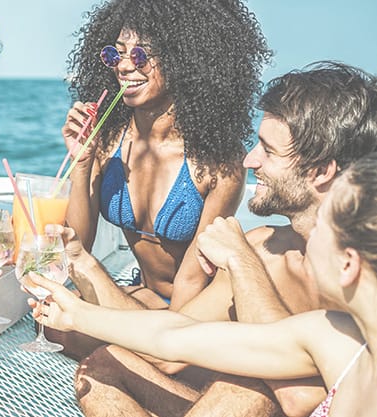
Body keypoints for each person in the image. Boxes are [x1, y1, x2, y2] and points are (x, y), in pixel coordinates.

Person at [67, 62, 377, 416]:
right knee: (103, 367)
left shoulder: (359, 273)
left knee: (244, 388)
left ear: (321, 171)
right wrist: (82, 269)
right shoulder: (263, 247)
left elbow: (299, 399)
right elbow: (168, 346)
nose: (249, 160)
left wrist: (241, 262)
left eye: (267, 150)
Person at [30, 150, 377, 417]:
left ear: (348, 263)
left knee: (244, 385)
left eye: (321, 231)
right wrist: (75, 311)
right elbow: (172, 337)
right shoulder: (336, 335)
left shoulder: (339, 343)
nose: (307, 239)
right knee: (105, 363)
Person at [51, 0, 271, 359]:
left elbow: (189, 286)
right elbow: (77, 246)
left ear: (186, 60)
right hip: (143, 299)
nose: (124, 66)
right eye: (115, 54)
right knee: (55, 328)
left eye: (140, 56)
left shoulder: (218, 162)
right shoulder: (107, 140)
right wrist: (81, 164)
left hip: (197, 311)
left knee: (102, 342)